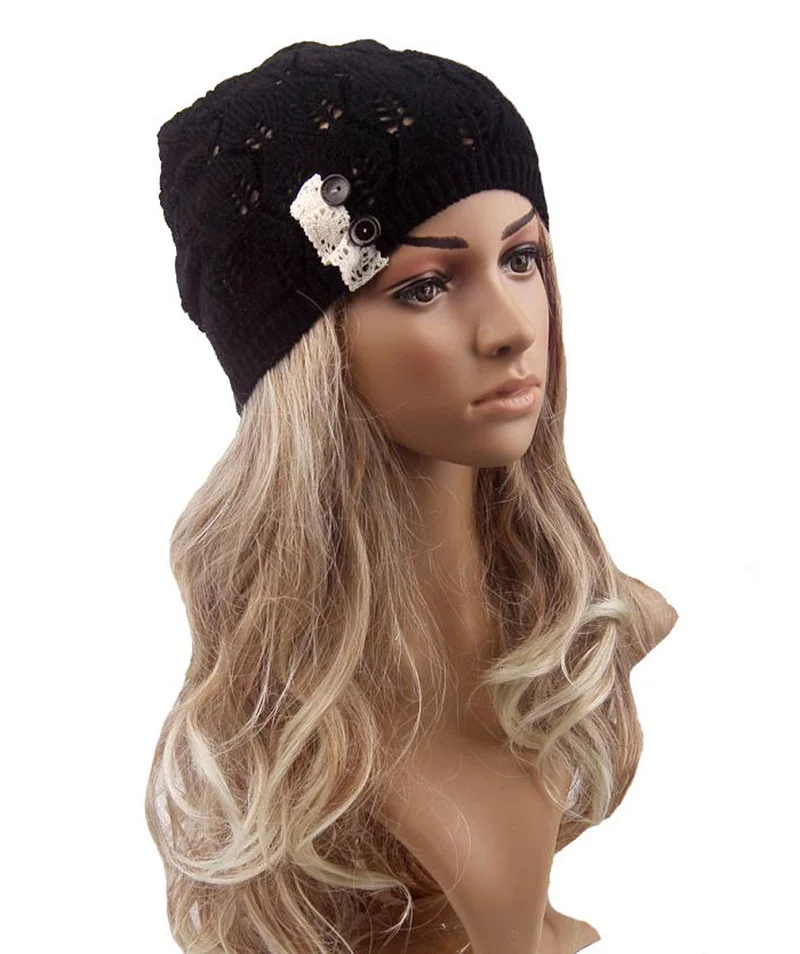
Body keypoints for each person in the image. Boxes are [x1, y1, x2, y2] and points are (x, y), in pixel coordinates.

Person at [145, 39, 679, 954]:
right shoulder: (317, 734)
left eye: (521, 259)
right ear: (308, 358)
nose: (510, 329)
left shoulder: (601, 630)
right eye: (427, 285)